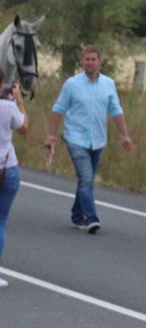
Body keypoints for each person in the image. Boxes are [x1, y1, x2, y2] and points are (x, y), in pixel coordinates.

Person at [43, 46, 134, 234]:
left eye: (94, 59)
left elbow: (116, 110)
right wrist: (51, 135)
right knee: (86, 177)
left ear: (100, 62)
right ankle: (91, 217)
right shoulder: (72, 84)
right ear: (81, 61)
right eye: (87, 59)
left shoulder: (109, 84)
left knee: (87, 180)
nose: (90, 62)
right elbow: (58, 109)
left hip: (98, 140)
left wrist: (124, 135)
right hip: (75, 138)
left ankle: (77, 214)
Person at [0, 79, 29, 286]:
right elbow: (23, 127)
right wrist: (18, 99)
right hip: (6, 167)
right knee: (0, 221)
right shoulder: (8, 106)